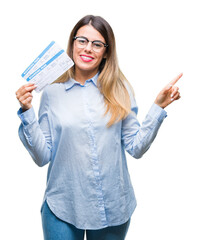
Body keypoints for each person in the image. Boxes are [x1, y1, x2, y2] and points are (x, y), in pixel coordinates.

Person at [16, 15, 182, 240]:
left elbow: (136, 148)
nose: (88, 49)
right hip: (63, 206)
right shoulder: (52, 92)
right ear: (73, 43)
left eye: (97, 44)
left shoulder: (119, 89)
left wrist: (158, 107)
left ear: (106, 51)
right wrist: (27, 112)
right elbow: (42, 156)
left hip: (112, 207)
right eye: (82, 40)